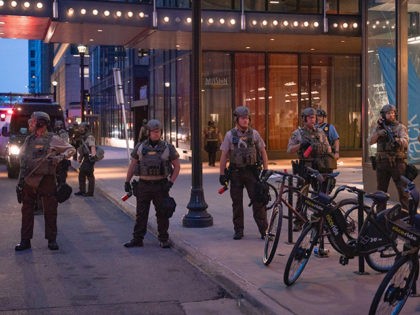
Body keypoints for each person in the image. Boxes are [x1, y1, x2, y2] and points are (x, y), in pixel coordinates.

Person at [15, 111, 75, 251]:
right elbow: (23, 163)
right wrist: (20, 183)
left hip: (46, 179)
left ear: (41, 123)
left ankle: (51, 240)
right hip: (29, 180)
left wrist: (60, 158)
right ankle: (25, 240)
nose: (30, 123)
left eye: (33, 121)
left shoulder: (52, 139)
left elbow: (71, 149)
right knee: (27, 211)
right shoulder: (28, 140)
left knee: (50, 210)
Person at [123, 119, 180, 248]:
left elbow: (177, 166)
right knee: (141, 214)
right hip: (144, 185)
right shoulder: (140, 147)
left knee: (162, 213)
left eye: (158, 131)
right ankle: (137, 239)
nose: (156, 134)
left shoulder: (167, 147)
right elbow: (132, 165)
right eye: (153, 131)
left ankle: (163, 238)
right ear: (148, 132)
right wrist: (127, 181)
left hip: (161, 185)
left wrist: (170, 183)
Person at [219, 106, 269, 240]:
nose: (246, 120)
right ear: (237, 120)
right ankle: (238, 230)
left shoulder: (254, 134)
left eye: (247, 118)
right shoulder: (230, 135)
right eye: (243, 118)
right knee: (237, 203)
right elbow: (224, 155)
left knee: (258, 201)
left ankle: (264, 230)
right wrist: (222, 173)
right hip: (235, 173)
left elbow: (263, 151)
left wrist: (266, 169)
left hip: (252, 173)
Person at [287, 107, 332, 231]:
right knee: (302, 194)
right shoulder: (298, 133)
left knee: (321, 195)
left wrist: (321, 148)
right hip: (305, 167)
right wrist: (301, 145)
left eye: (315, 117)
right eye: (311, 117)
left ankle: (318, 219)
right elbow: (289, 150)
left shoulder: (321, 132)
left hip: (319, 167)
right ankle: (299, 220)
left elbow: (328, 149)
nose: (314, 120)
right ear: (304, 119)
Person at [368, 104, 409, 211]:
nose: (391, 115)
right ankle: (380, 216)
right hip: (382, 163)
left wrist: (398, 141)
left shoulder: (400, 127)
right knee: (381, 191)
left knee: (403, 191)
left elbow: (406, 142)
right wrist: (378, 134)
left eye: (392, 113)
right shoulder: (378, 128)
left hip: (397, 163)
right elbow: (370, 141)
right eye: (388, 113)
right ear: (383, 115)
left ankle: (407, 215)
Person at [74, 122, 97, 197]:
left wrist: (93, 157)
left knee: (89, 174)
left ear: (86, 128)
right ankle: (82, 190)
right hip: (86, 157)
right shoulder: (83, 137)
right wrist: (80, 158)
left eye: (82, 127)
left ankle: (90, 192)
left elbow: (92, 146)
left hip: (89, 158)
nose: (80, 129)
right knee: (82, 173)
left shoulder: (90, 136)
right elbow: (82, 149)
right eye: (80, 127)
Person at [54, 120, 71, 185]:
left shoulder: (63, 133)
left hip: (62, 155)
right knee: (57, 172)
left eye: (57, 125)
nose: (56, 126)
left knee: (62, 173)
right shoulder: (56, 133)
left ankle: (62, 186)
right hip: (57, 155)